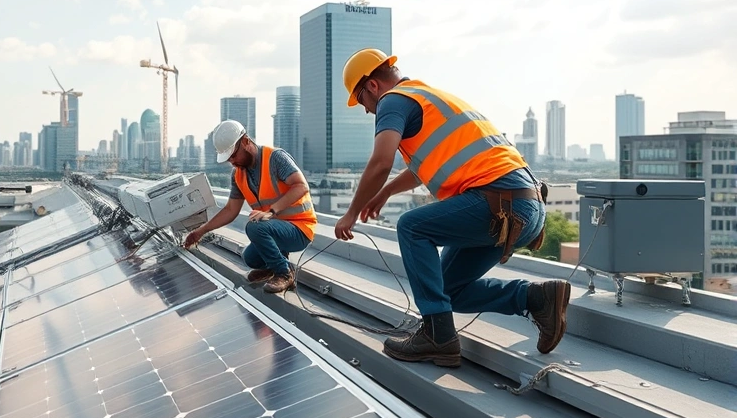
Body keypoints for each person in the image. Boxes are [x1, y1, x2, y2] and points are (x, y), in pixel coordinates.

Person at [334, 48, 570, 368]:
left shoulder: (393, 100)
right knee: (448, 291)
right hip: (524, 207)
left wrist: (351, 212)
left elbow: (380, 160)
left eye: (362, 100)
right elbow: (425, 166)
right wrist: (387, 191)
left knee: (411, 226)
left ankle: (438, 334)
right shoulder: (429, 97)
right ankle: (537, 299)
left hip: (499, 204)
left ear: (372, 86)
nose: (365, 110)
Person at [183, 120, 317, 294]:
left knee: (254, 227)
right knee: (250, 257)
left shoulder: (275, 158)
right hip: (274, 230)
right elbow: (231, 210)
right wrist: (201, 231)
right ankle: (276, 263)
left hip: (299, 229)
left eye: (233, 155)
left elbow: (301, 186)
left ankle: (284, 274)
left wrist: (270, 212)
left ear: (245, 141)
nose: (232, 162)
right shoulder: (238, 175)